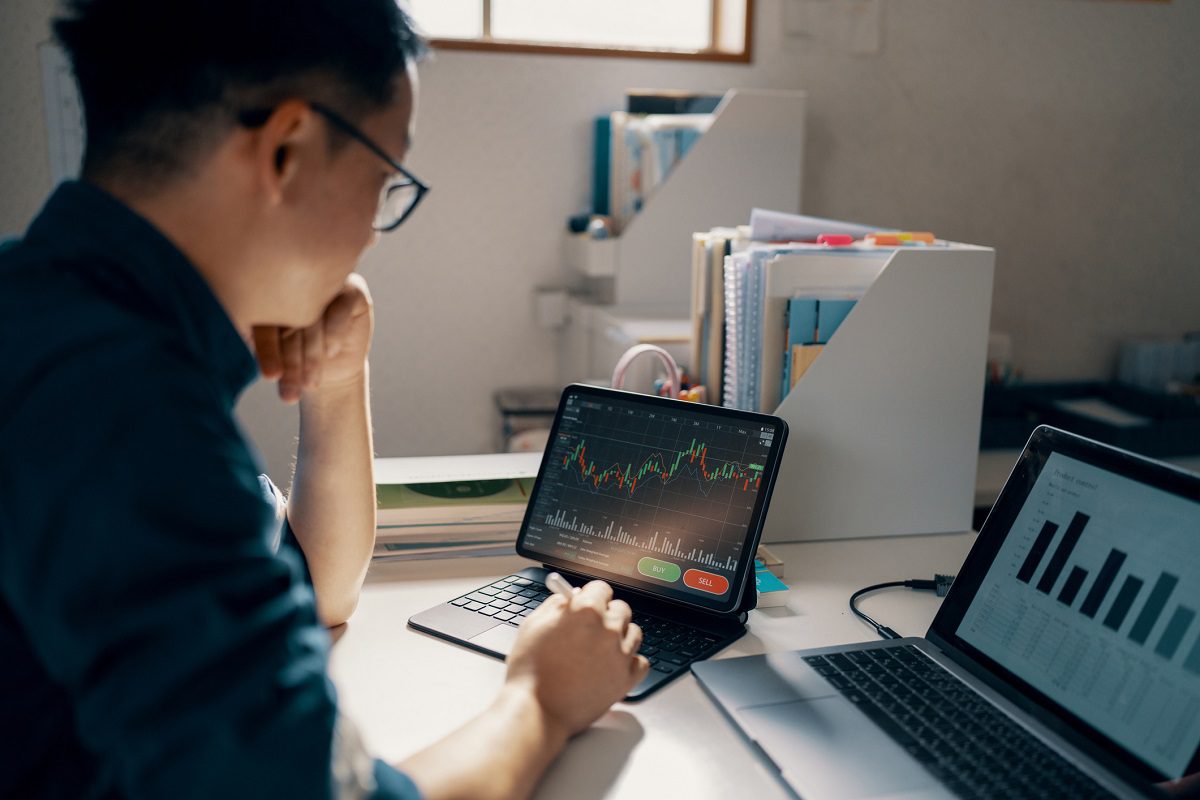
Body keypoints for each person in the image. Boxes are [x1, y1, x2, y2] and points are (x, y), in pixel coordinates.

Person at [0, 1, 649, 798]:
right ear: (288, 150)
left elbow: (315, 587)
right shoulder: (122, 414)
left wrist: (339, 381)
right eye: (383, 181)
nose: (373, 233)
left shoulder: (53, 318)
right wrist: (541, 699)